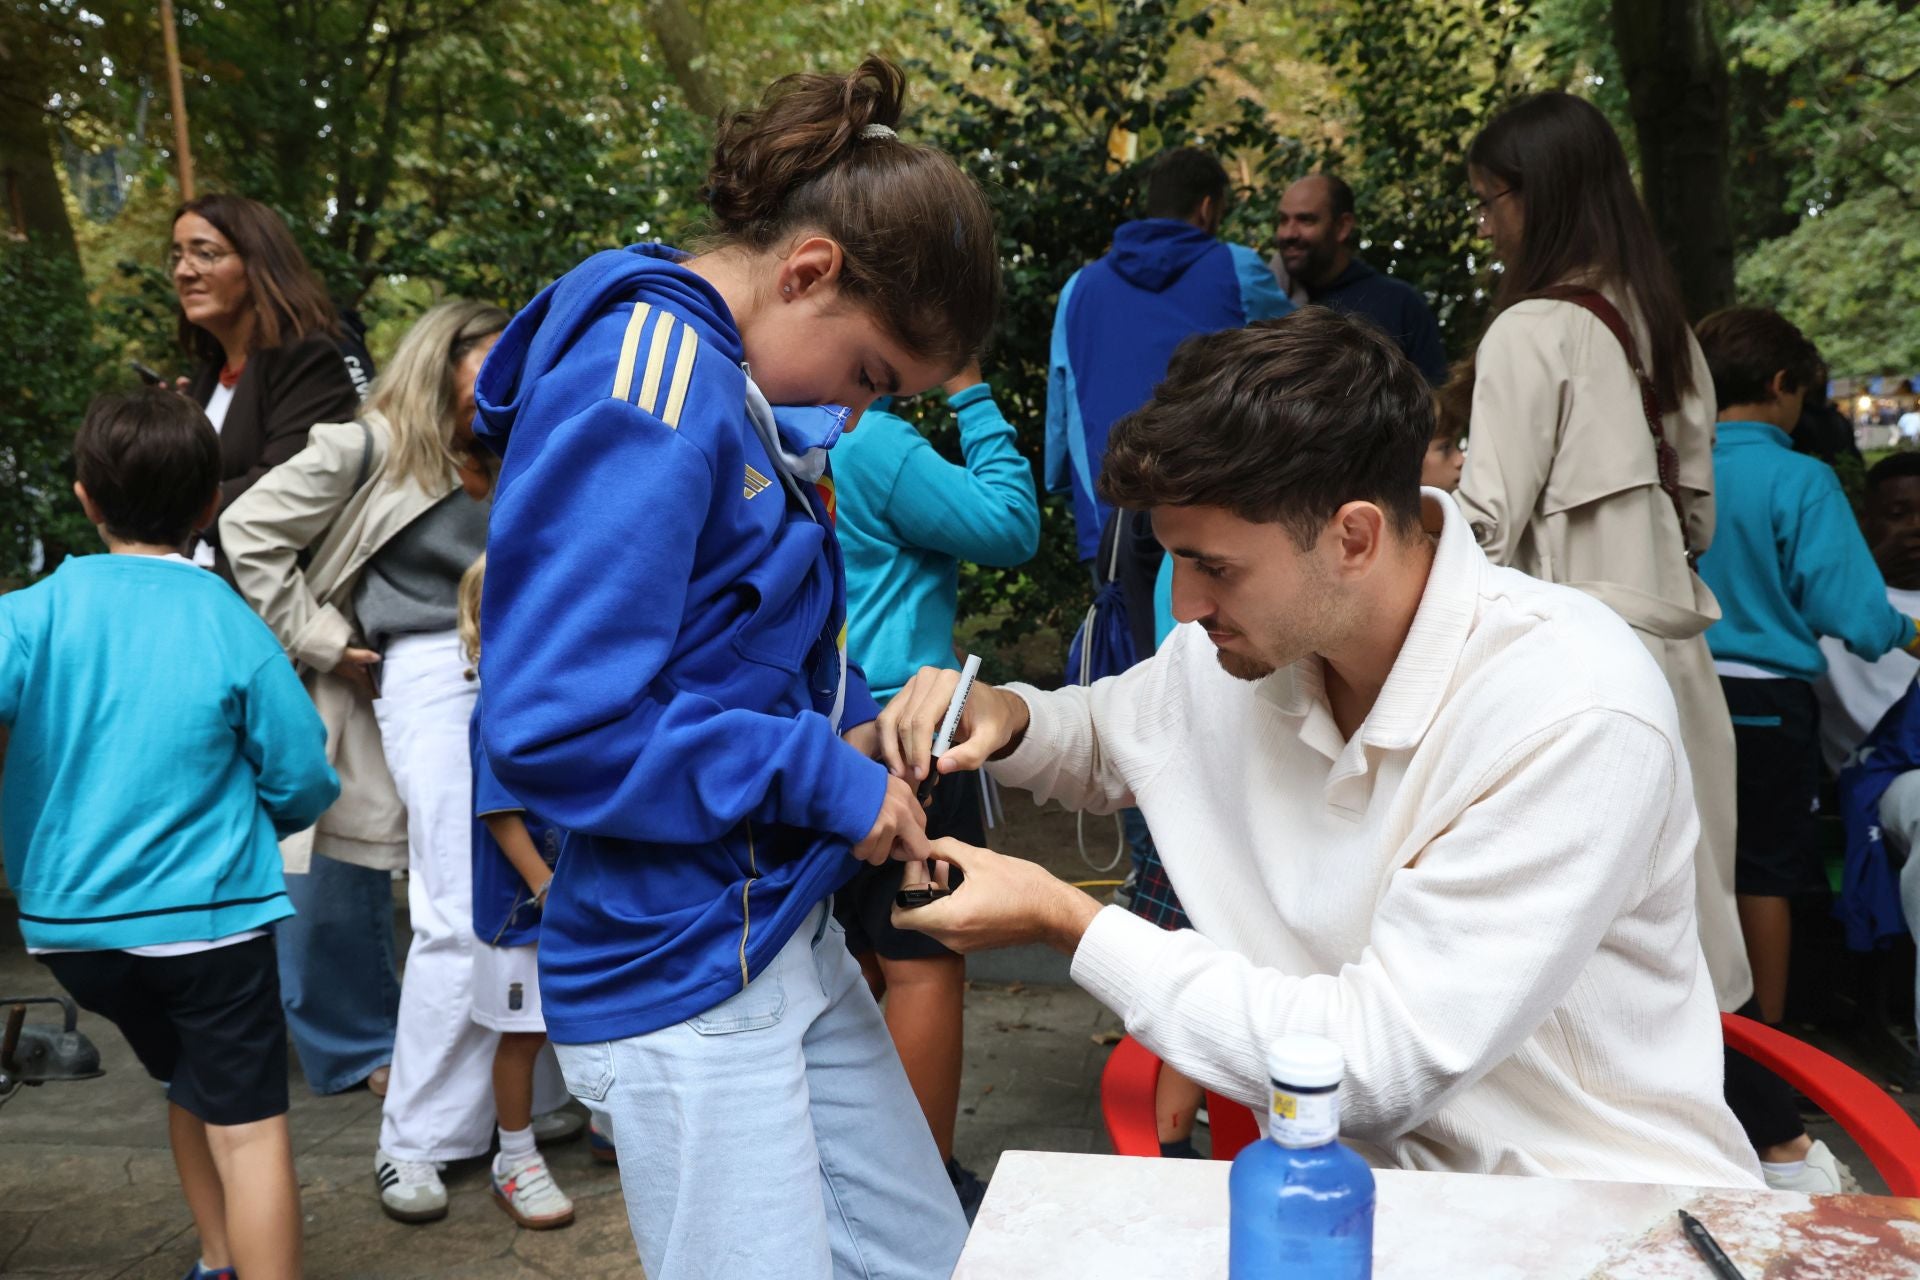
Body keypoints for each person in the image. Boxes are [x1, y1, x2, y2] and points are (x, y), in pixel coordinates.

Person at [877, 309, 1760, 1188]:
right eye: (1173, 559)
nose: (1182, 606)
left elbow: (1369, 1067)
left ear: (1354, 537)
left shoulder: (1571, 710)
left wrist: (1066, 919)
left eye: (1215, 568)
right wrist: (1002, 715)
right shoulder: (1245, 651)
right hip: (1342, 1197)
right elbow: (1110, 734)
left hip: (1593, 1212)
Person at [473, 57, 999, 1280]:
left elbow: (744, 644)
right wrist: (825, 779)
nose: (862, 415)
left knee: (926, 1255)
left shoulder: (732, 388)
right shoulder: (650, 383)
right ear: (808, 270)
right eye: (871, 374)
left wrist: (862, 733)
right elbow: (553, 724)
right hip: (682, 963)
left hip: (774, 926)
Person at [222, 300, 572, 1224]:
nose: (507, 378)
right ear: (440, 360)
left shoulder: (512, 450)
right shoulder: (370, 445)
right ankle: (410, 1142)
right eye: (489, 361)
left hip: (516, 672)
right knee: (457, 912)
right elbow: (247, 531)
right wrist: (325, 639)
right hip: (419, 670)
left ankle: (516, 1114)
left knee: (519, 900)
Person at [1, 389, 339, 1280]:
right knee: (251, 1128)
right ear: (210, 506)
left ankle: (218, 1258)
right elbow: (303, 771)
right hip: (210, 927)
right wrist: (267, 822)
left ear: (85, 498)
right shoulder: (229, 621)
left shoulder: (33, 614)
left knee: (188, 1082)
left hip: (75, 934)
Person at [1450, 90, 1753, 1030]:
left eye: (1489, 200)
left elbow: (1483, 527)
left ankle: (1768, 1145)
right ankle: (1752, 1148)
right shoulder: (1664, 327)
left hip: (1568, 683)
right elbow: (1696, 517)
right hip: (1676, 660)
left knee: (1583, 961)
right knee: (1687, 933)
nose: (1488, 225)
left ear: (1535, 197)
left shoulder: (1531, 329)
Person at [167, 192, 400, 1104]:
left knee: (319, 839)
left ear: (253, 259)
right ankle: (250, 1018)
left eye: (205, 251)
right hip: (200, 629)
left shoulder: (305, 359)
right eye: (177, 254)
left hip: (284, 636)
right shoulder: (201, 385)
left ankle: (364, 1040)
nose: (185, 269)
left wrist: (181, 483)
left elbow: (292, 486)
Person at [831, 360, 1039, 1215]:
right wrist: (970, 389)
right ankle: (921, 1189)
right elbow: (1011, 524)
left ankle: (852, 1170)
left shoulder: (777, 435)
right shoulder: (872, 440)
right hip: (909, 730)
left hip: (825, 731)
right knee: (921, 960)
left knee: (853, 956)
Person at [1047, 146, 1295, 565]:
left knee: (1127, 630)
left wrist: (1066, 487)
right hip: (1220, 513)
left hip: (1111, 515)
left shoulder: (1079, 288)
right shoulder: (1238, 270)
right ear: (1207, 207)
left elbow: (1062, 410)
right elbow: (1303, 357)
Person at [457, 553, 577, 1230]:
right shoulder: (504, 699)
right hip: (522, 910)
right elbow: (499, 811)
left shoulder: (542, 686)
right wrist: (545, 886)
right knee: (524, 1034)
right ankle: (515, 1155)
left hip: (552, 899)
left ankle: (603, 1128)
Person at [1273, 174, 1447, 384]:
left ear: (1343, 226)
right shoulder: (1268, 301)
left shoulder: (1398, 304)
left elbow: (1434, 400)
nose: (1289, 233)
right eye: (1283, 220)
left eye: (1305, 220)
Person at [1815, 453, 1920, 771]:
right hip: (1872, 779)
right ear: (1864, 521)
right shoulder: (1829, 604)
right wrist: (1868, 571)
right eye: (1898, 514)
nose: (1915, 528)